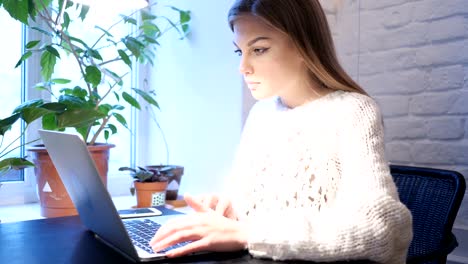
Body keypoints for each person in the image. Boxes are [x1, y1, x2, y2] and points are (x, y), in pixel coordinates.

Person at [149, 0, 413, 263]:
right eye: (240, 52)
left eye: (260, 49)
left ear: (303, 45)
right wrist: (227, 209)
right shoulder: (261, 114)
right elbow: (256, 209)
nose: (243, 68)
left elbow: (382, 229)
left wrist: (249, 234)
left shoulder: (353, 111)